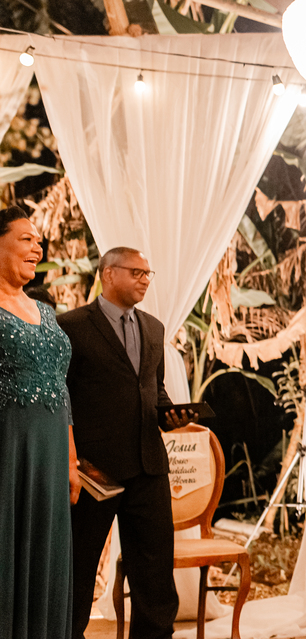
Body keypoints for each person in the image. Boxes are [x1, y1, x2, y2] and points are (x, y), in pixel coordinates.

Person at [60, 247, 190, 639]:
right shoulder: (71, 326)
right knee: (78, 565)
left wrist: (171, 415)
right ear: (108, 273)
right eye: (136, 272)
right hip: (94, 469)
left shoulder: (154, 327)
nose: (145, 280)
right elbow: (61, 396)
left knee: (154, 571)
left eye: (149, 274)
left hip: (149, 467)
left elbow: (155, 391)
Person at [0, 205, 77, 639]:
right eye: (26, 238)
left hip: (51, 455)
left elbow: (61, 388)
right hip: (9, 450)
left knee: (46, 553)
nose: (38, 246)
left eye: (39, 241)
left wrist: (70, 459)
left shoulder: (47, 312)